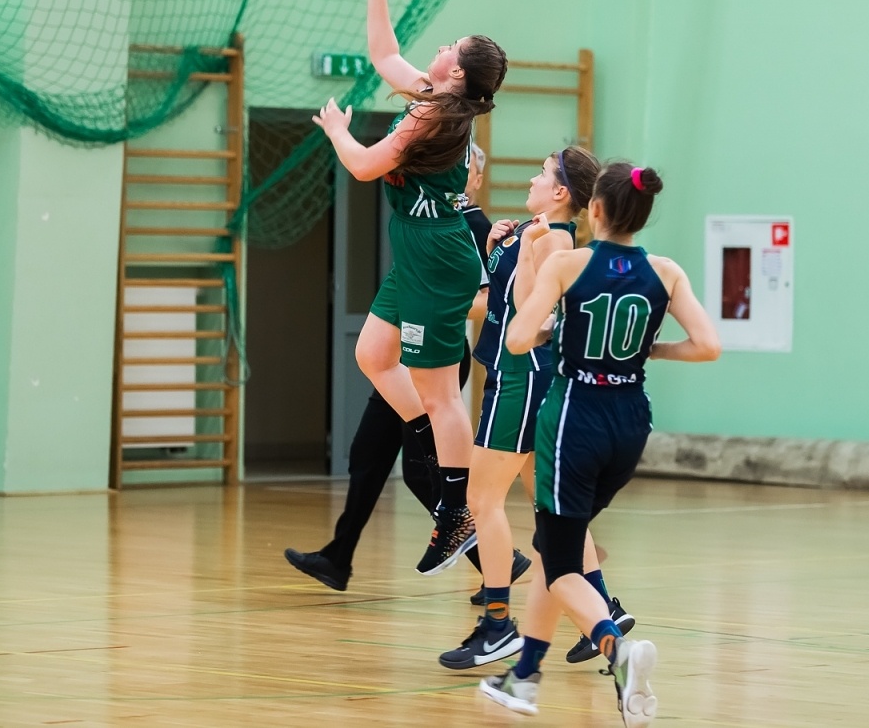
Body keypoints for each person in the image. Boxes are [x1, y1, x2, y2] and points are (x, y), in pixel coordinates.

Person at [480, 162, 720, 725]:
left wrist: (542, 316)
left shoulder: (567, 263)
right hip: (630, 421)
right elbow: (707, 345)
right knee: (554, 545)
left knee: (563, 563)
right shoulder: (666, 272)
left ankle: (618, 647)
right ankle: (525, 677)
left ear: (595, 211)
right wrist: (649, 351)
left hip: (575, 419)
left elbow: (516, 340)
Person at [313, 0, 506, 577]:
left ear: (459, 71)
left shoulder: (433, 113)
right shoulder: (432, 95)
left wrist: (337, 132)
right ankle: (432, 446)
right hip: (418, 248)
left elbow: (366, 165)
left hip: (439, 254)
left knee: (441, 392)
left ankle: (458, 510)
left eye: (451, 46)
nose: (440, 47)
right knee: (372, 353)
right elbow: (383, 52)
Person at [284, 144, 530, 593]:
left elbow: (484, 301)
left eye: (467, 166)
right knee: (367, 454)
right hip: (400, 355)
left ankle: (491, 553)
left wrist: (432, 308)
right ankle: (339, 557)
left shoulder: (470, 226)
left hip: (434, 356)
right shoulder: (424, 219)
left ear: (472, 178)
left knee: (420, 470)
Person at [439, 146, 636, 670]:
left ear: (561, 193)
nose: (531, 178)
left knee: (482, 500)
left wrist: (522, 251)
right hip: (518, 379)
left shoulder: (551, 240)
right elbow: (493, 303)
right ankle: (602, 615)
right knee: (550, 514)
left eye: (541, 173)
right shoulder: (537, 234)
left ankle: (498, 624)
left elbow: (530, 315)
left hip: (522, 380)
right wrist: (496, 244)